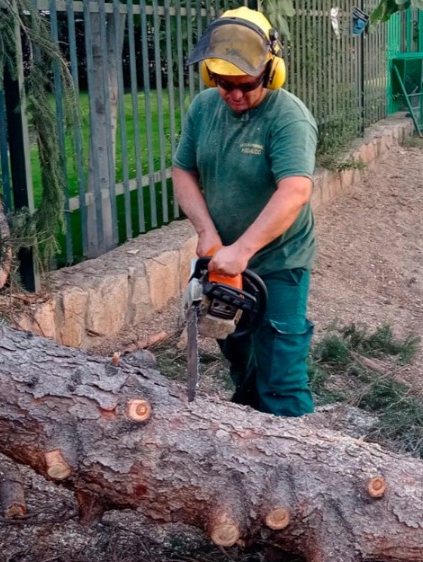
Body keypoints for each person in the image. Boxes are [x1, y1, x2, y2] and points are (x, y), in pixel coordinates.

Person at [172, 7, 318, 417]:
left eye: (246, 84)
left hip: (278, 262)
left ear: (270, 73)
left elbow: (295, 190)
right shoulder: (204, 108)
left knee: (281, 376)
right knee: (240, 359)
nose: (235, 94)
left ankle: (297, 446)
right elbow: (183, 170)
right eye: (225, 83)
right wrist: (207, 233)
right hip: (223, 261)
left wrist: (243, 250)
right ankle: (250, 433)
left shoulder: (288, 118)